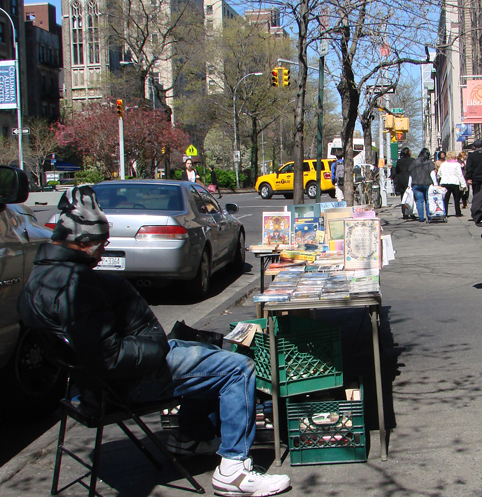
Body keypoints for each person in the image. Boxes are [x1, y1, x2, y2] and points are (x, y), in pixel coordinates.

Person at [17, 185, 291, 497]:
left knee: (208, 350)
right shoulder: (79, 288)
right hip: (125, 383)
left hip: (89, 388)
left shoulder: (37, 280)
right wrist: (157, 346)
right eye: (100, 244)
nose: (103, 250)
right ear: (81, 242)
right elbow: (111, 356)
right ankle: (234, 470)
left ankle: (189, 438)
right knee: (238, 368)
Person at [408, 148, 437, 223]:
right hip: (427, 183)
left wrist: (409, 185)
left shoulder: (414, 162)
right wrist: (435, 184)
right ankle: (429, 216)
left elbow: (410, 175)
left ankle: (421, 217)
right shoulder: (430, 163)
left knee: (419, 201)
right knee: (428, 200)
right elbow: (432, 174)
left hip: (416, 183)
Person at [437, 151, 467, 218]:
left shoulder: (443, 164)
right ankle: (458, 212)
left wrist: (442, 177)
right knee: (456, 199)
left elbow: (439, 173)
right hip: (454, 183)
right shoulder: (457, 164)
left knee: (446, 199)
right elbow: (460, 175)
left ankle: (445, 213)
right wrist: (463, 185)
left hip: (445, 182)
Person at [393, 147, 414, 218]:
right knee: (411, 195)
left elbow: (397, 170)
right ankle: (412, 212)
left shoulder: (399, 161)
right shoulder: (412, 160)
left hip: (402, 179)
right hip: (410, 178)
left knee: (403, 196)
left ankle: (404, 212)